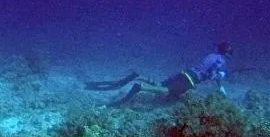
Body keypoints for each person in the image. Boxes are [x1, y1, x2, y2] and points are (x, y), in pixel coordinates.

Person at [85, 42, 233, 106]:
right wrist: (220, 78)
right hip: (191, 80)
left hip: (186, 73)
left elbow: (204, 67)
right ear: (226, 51)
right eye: (229, 51)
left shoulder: (211, 55)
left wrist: (219, 82)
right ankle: (140, 87)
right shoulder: (220, 60)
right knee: (166, 90)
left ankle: (138, 76)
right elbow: (211, 74)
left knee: (161, 84)